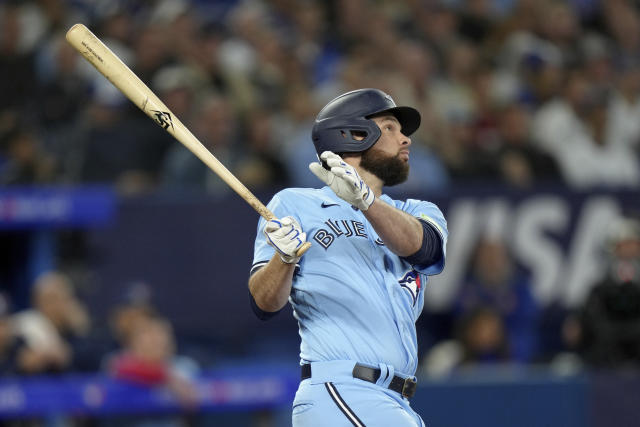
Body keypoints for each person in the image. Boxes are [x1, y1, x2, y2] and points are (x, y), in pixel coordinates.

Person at [248, 88, 447, 426]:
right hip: (340, 389)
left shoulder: (416, 211)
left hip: (396, 399)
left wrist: (364, 200)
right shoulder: (297, 204)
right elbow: (264, 305)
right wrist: (284, 259)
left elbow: (424, 250)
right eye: (390, 128)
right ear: (354, 135)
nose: (406, 140)